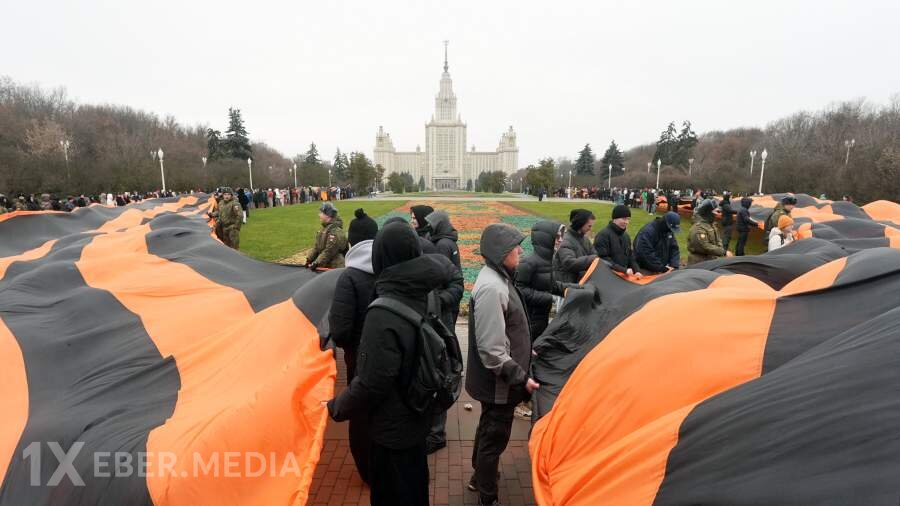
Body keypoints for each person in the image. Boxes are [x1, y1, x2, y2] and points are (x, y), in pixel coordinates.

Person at [328, 221, 458, 506]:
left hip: (392, 426)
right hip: (417, 411)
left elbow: (372, 382)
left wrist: (336, 407)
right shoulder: (423, 289)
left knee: (393, 493)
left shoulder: (383, 310)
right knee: (414, 485)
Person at [466, 223, 539, 506]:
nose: (520, 250)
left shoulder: (499, 278)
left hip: (502, 381)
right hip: (500, 384)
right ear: (500, 253)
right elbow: (492, 350)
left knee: (488, 431)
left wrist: (525, 350)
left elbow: (506, 332)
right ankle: (487, 494)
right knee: (494, 438)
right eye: (514, 247)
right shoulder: (492, 288)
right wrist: (521, 377)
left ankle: (478, 477)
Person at [328, 208, 379, 484]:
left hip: (358, 357)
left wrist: (347, 347)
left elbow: (340, 327)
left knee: (359, 412)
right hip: (386, 354)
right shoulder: (388, 267)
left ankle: (368, 471)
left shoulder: (349, 277)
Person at [422, 210, 464, 454]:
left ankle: (436, 434)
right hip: (442, 315)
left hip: (441, 318)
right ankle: (434, 430)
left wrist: (437, 303)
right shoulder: (442, 243)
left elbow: (452, 282)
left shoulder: (441, 248)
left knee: (440, 371)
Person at [517, 221, 569, 339]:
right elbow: (519, 290)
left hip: (540, 319)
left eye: (561, 236)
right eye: (556, 237)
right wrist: (549, 298)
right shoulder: (528, 263)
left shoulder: (547, 261)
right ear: (545, 239)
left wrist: (574, 289)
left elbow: (551, 285)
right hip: (529, 320)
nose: (560, 240)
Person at [593, 205, 642, 278]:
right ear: (614, 219)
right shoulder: (603, 235)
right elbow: (603, 259)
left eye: (628, 219)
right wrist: (623, 270)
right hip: (609, 276)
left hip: (624, 275)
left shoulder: (626, 236)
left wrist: (637, 270)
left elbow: (630, 256)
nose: (627, 222)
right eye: (624, 219)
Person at [552, 209, 598, 284]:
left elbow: (594, 254)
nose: (590, 229)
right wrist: (592, 259)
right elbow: (569, 263)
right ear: (580, 224)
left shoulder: (585, 239)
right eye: (589, 226)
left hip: (580, 282)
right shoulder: (565, 240)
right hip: (566, 284)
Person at [687, 199, 732, 265]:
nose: (717, 214)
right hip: (699, 263)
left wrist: (720, 249)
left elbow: (718, 239)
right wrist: (723, 252)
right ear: (708, 212)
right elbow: (705, 246)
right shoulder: (699, 228)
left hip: (709, 260)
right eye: (715, 211)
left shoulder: (711, 224)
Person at [306, 202, 348, 270]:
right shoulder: (324, 229)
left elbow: (329, 251)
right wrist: (309, 259)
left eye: (321, 213)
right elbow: (317, 247)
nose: (319, 215)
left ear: (328, 215)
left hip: (335, 268)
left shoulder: (335, 232)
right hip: (325, 264)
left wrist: (316, 263)